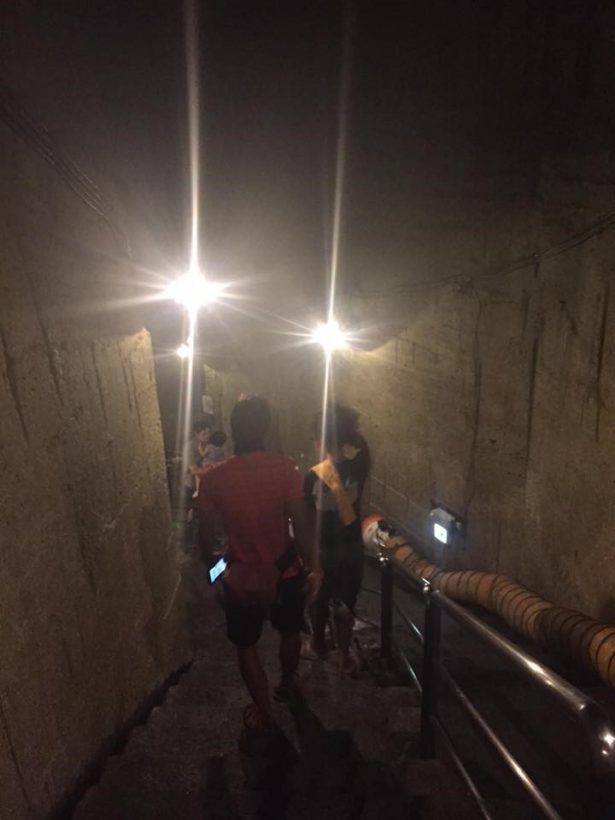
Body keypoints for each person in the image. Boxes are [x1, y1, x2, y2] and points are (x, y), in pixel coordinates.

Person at [198, 395, 321, 728]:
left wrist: (214, 574)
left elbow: (206, 539)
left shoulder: (213, 479)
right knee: (290, 631)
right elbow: (301, 525)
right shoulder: (285, 469)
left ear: (233, 431)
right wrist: (315, 567)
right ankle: (287, 683)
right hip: (285, 571)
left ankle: (264, 711)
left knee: (246, 645)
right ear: (266, 429)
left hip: (239, 574)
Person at [304, 403, 370, 676]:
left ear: (321, 439)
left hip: (323, 550)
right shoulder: (359, 467)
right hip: (352, 549)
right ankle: (343, 655)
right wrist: (347, 433)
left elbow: (308, 519)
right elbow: (363, 446)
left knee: (318, 598)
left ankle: (318, 644)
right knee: (346, 602)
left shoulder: (312, 477)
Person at [182, 419, 211, 516]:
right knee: (192, 513)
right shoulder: (189, 447)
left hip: (206, 485)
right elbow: (194, 470)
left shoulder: (209, 445)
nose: (207, 436)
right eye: (204, 434)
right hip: (192, 486)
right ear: (196, 434)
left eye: (208, 433)